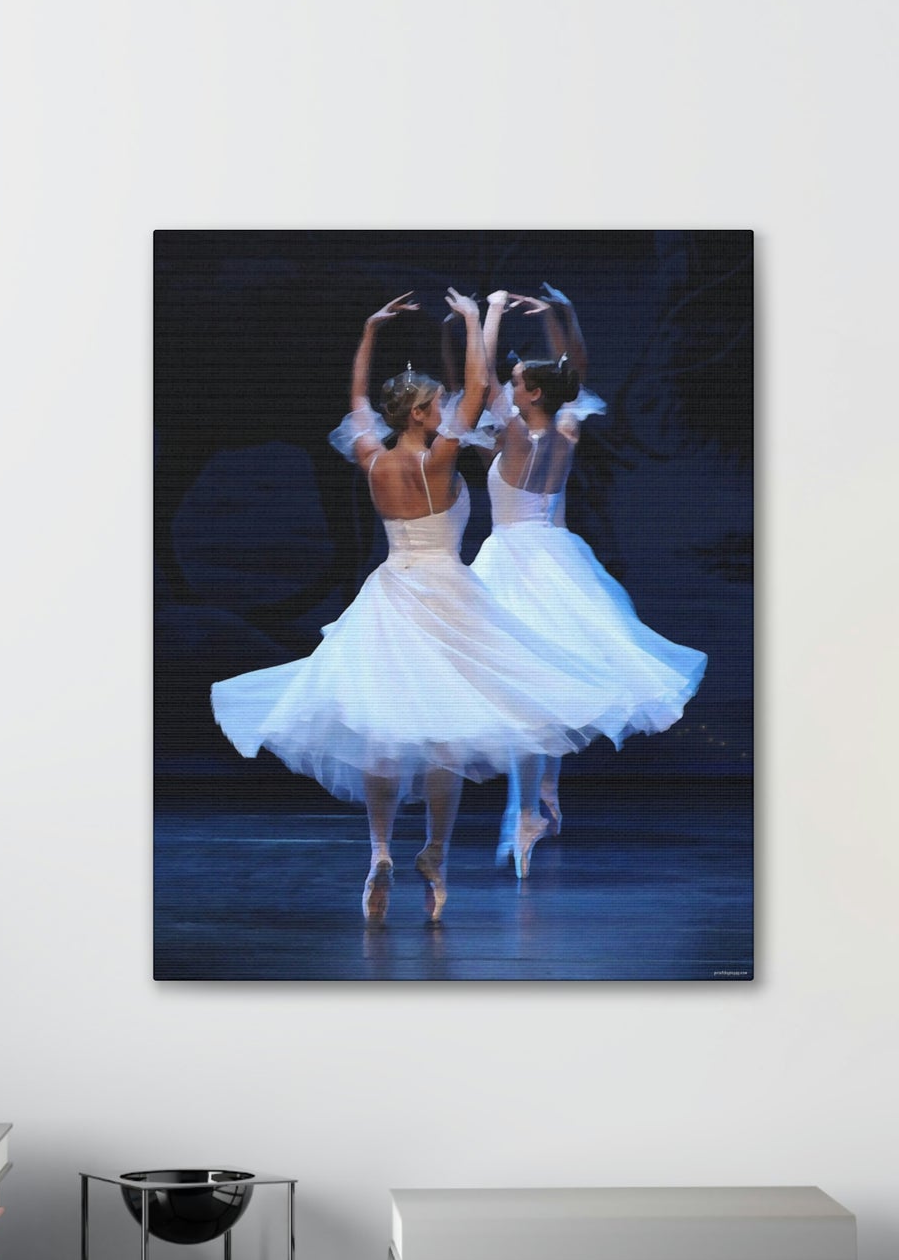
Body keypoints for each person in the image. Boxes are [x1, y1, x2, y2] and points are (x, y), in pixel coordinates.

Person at [211, 291, 637, 924]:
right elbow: (476, 386)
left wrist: (368, 330)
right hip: (447, 598)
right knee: (448, 739)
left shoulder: (373, 458)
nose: (446, 411)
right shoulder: (441, 460)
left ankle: (380, 850)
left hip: (389, 596)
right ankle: (435, 854)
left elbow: (358, 402)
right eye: (434, 406)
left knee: (383, 735)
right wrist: (473, 318)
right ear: (418, 412)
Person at [470, 285, 709, 878]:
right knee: (545, 682)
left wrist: (490, 315)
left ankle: (527, 811)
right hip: (557, 559)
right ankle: (545, 790)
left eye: (517, 381)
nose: (508, 383)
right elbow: (573, 370)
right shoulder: (567, 427)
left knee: (526, 691)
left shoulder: (520, 436)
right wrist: (560, 314)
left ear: (530, 395)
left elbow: (482, 375)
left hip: (518, 564)